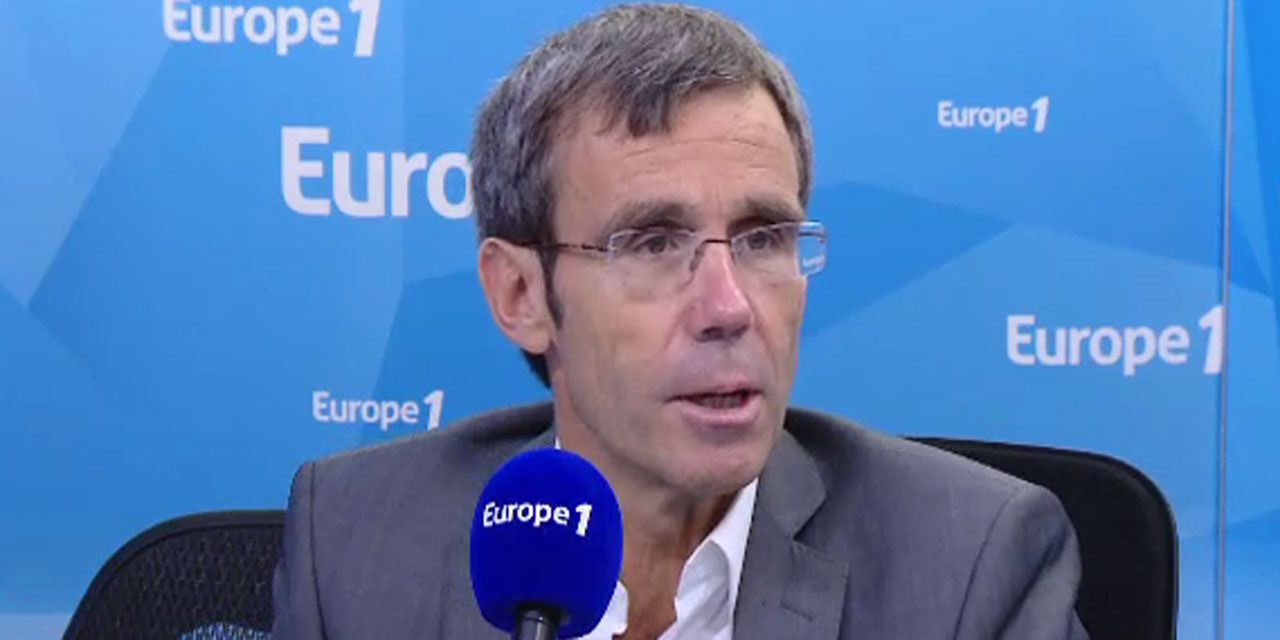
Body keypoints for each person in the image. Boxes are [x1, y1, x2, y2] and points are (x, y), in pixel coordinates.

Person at [272, 5, 1090, 639]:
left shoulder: (969, 565)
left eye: (764, 238)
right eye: (654, 243)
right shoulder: (356, 544)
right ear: (521, 294)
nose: (729, 308)